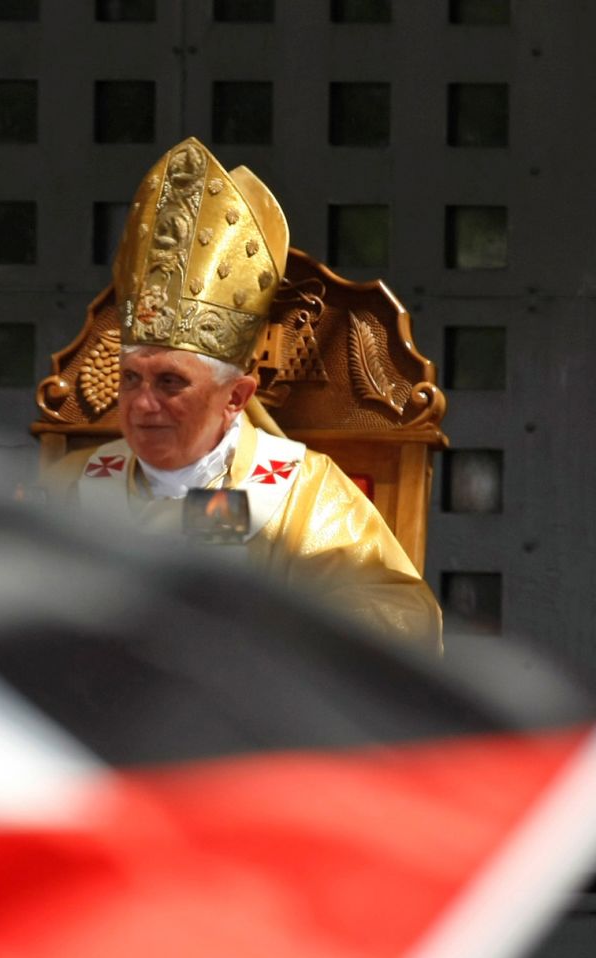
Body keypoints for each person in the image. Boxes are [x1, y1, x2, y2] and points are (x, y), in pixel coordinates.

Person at [49, 137, 442, 649]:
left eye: (170, 382)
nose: (143, 405)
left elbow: (398, 624)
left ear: (235, 397)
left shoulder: (304, 495)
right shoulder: (70, 484)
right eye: (131, 379)